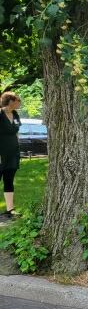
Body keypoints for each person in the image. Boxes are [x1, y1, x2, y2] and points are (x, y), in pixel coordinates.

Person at [0, 91, 22, 221]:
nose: (20, 103)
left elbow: (16, 132)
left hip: (13, 153)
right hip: (1, 154)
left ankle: (10, 209)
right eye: (18, 100)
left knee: (9, 180)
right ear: (11, 101)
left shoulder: (15, 114)